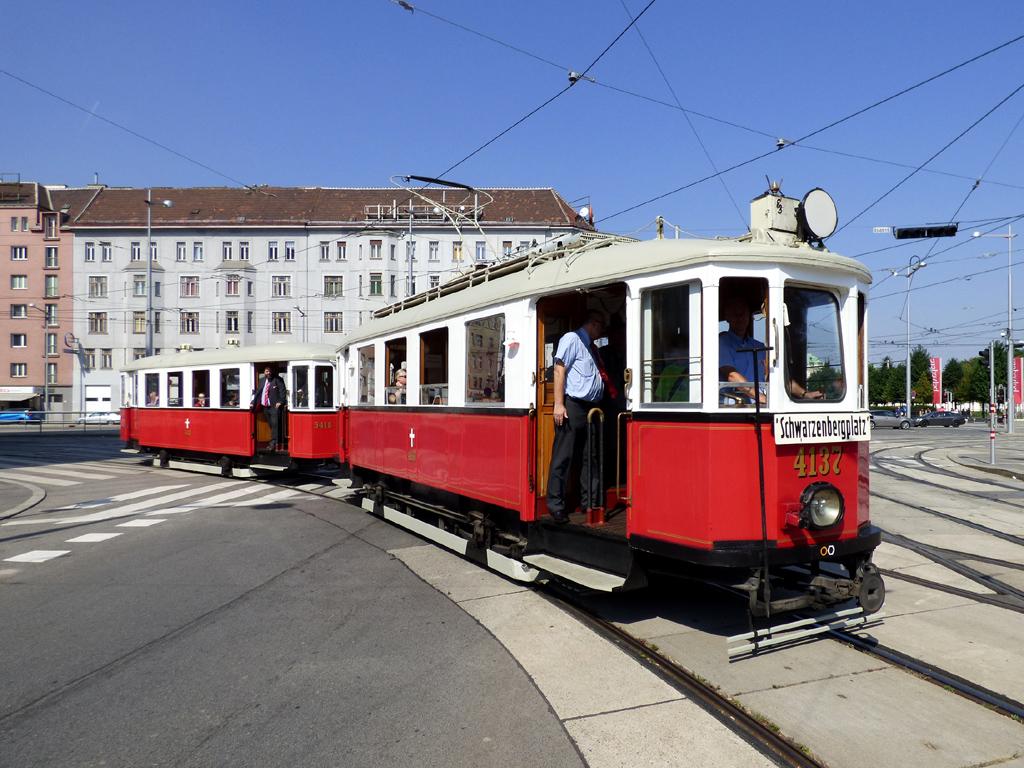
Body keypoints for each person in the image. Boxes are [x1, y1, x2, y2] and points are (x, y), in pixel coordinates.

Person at [547, 310, 608, 524]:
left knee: (590, 457)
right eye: (602, 325)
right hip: (572, 405)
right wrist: (559, 404)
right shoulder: (572, 339)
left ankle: (589, 503)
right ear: (593, 322)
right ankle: (556, 505)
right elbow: (559, 370)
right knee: (563, 456)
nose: (603, 331)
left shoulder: (592, 347)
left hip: (591, 409)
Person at [252, 365, 286, 450]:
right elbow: (258, 392)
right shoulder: (262, 380)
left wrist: (280, 401)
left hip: (274, 406)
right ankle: (276, 440)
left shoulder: (278, 380)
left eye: (270, 371)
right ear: (264, 372)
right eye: (267, 371)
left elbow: (282, 391)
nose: (268, 373)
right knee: (271, 424)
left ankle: (273, 444)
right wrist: (253, 402)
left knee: (275, 425)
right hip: (265, 407)